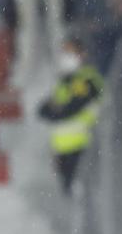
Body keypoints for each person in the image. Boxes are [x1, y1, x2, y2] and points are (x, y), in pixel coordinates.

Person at [38, 40, 103, 189]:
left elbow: (72, 107)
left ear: (82, 54)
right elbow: (43, 110)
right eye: (64, 53)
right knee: (71, 194)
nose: (66, 57)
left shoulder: (87, 79)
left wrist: (56, 110)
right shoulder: (64, 82)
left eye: (70, 52)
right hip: (63, 150)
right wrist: (55, 110)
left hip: (84, 147)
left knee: (86, 193)